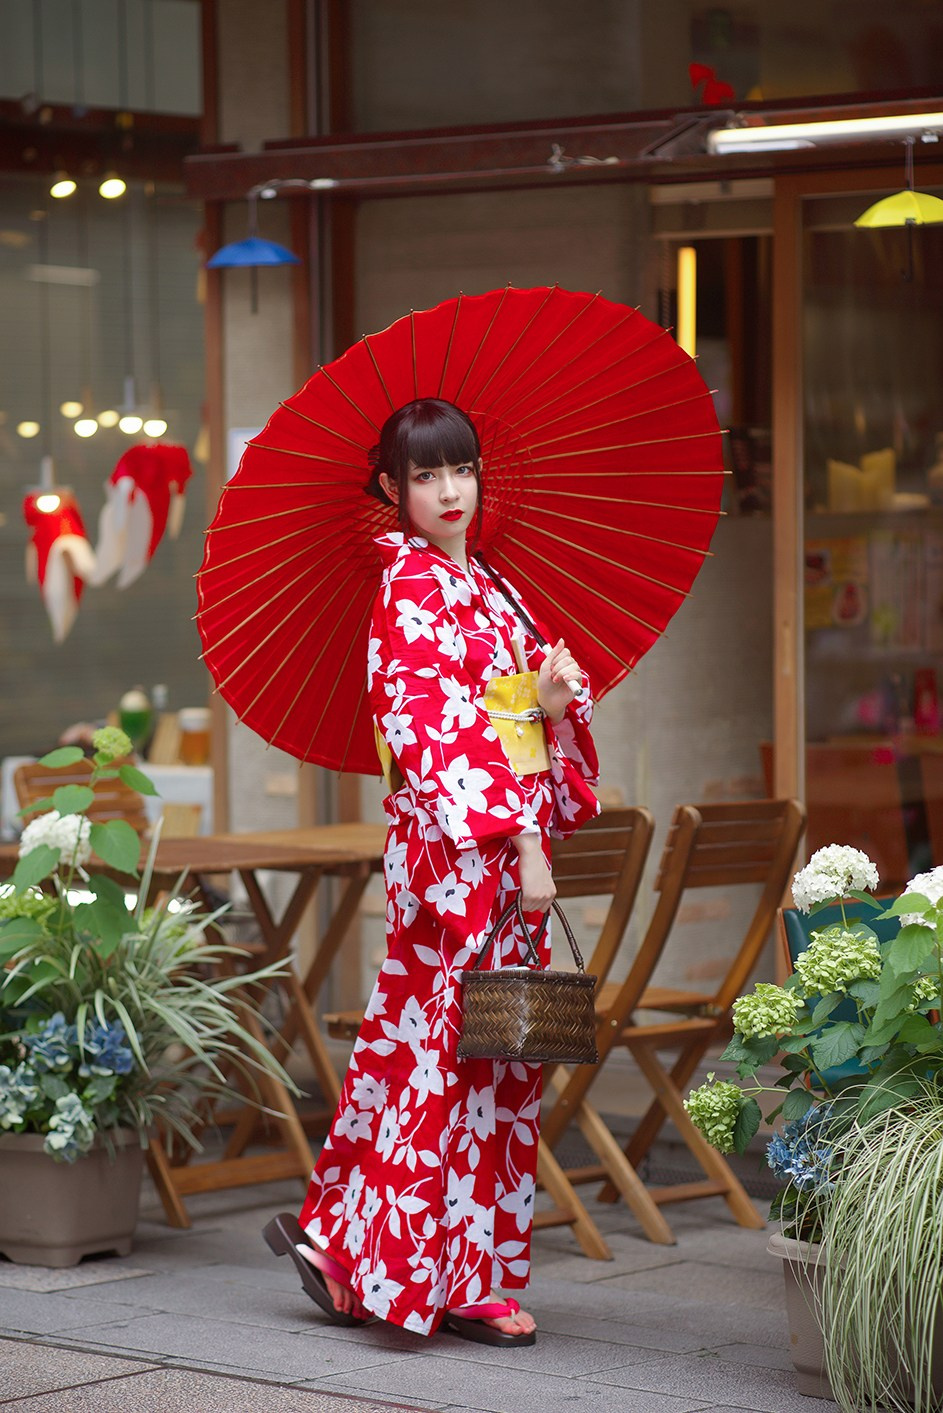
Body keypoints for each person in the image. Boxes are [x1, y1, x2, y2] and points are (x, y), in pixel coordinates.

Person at [264, 398, 599, 1345]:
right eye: (425, 476)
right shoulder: (411, 592)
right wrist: (528, 838)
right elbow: (434, 740)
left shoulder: (484, 581)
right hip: (462, 859)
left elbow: (510, 715)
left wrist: (549, 698)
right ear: (391, 489)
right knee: (456, 1065)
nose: (450, 492)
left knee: (438, 1057)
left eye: (462, 470)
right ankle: (453, 1277)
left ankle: (349, 1241)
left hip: (481, 857)